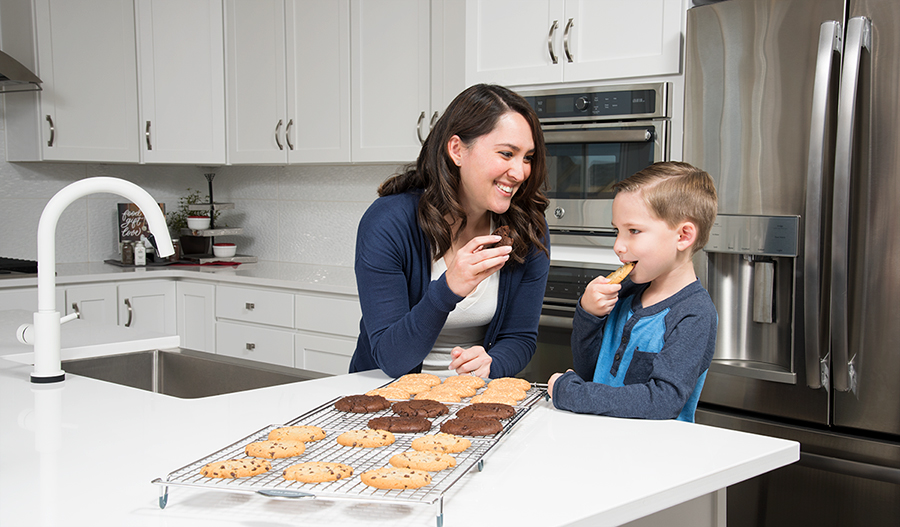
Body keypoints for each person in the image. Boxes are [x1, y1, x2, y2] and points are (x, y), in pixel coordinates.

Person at [350, 84, 550, 379]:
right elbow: (391, 358)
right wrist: (449, 288)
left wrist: (492, 363)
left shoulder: (527, 228)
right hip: (386, 393)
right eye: (506, 153)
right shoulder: (388, 223)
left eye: (527, 158)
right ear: (457, 150)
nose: (520, 172)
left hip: (472, 399)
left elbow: (520, 338)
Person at [548, 161, 718, 422]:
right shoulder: (624, 293)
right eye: (617, 231)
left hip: (652, 454)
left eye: (634, 231)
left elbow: (663, 401)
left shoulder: (694, 315)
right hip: (601, 441)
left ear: (683, 236)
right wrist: (588, 315)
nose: (618, 246)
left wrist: (573, 395)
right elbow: (588, 370)